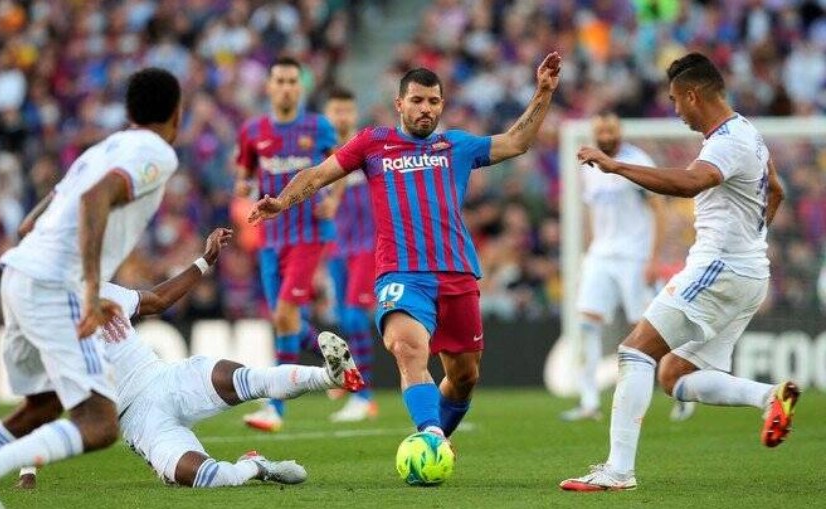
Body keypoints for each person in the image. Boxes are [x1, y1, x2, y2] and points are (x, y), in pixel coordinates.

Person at [248, 53, 562, 443]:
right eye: (416, 100)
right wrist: (281, 201)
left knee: (464, 377)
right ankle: (429, 434)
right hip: (401, 273)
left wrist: (543, 93)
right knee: (407, 347)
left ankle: (436, 439)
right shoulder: (373, 143)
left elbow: (516, 142)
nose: (425, 108)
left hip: (457, 272)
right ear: (400, 104)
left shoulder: (456, 146)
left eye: (433, 101)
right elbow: (319, 173)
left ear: (442, 105)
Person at [0, 68, 183, 509]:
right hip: (55, 286)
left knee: (44, 406)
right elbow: (95, 199)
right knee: (100, 423)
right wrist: (90, 290)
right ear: (176, 113)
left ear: (128, 111)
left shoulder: (103, 148)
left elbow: (32, 221)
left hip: (19, 274)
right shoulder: (157, 152)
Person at [560, 52, 797, 492]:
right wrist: (752, 237)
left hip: (719, 268)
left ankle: (618, 471)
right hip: (748, 271)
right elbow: (777, 189)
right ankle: (770, 397)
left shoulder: (727, 141)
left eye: (674, 100)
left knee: (634, 352)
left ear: (693, 94)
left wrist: (616, 167)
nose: (674, 110)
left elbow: (690, 183)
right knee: (674, 376)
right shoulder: (750, 132)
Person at [4, 228, 365, 491]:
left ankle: (330, 377)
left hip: (165, 377)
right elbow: (38, 405)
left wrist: (204, 261)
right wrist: (27, 473)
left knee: (241, 378)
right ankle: (254, 467)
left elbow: (158, 301)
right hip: (139, 420)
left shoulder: (102, 292)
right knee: (203, 478)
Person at [560, 112, 694, 423]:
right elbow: (593, 211)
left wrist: (654, 258)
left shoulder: (638, 161)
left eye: (610, 129)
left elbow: (658, 210)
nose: (605, 134)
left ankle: (683, 387)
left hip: (635, 257)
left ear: (619, 131)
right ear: (594, 133)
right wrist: (589, 250)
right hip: (601, 256)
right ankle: (589, 402)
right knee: (587, 324)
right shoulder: (590, 167)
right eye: (600, 130)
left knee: (651, 331)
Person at [234, 56, 338, 432]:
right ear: (269, 86)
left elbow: (338, 167)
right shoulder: (252, 131)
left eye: (293, 80)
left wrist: (333, 199)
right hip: (269, 238)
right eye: (279, 80)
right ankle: (335, 357)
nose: (286, 87)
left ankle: (276, 408)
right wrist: (243, 190)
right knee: (286, 317)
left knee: (283, 315)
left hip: (308, 234)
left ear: (301, 87)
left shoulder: (318, 126)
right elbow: (244, 175)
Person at [323, 87, 379, 422]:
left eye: (347, 110)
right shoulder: (321, 154)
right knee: (343, 319)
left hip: (367, 245)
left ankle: (364, 395)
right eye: (336, 110)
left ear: (354, 114)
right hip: (336, 247)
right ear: (328, 114)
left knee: (356, 317)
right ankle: (349, 385)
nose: (342, 116)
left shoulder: (367, 150)